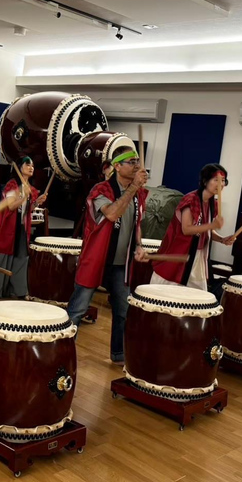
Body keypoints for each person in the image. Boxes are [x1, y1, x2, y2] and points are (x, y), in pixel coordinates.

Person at [66, 147, 149, 365]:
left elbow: (137, 224)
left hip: (121, 262)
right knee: (78, 309)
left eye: (137, 161)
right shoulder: (101, 190)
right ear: (117, 166)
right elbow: (112, 213)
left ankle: (118, 354)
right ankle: (63, 352)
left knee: (123, 311)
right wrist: (133, 188)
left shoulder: (139, 193)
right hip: (96, 258)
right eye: (131, 162)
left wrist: (139, 245)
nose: (137, 165)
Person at [151, 163, 235, 291]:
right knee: (167, 292)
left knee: (196, 295)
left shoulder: (212, 203)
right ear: (205, 181)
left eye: (223, 180)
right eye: (216, 180)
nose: (221, 184)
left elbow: (206, 231)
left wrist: (222, 239)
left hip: (198, 255)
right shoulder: (191, 200)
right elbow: (187, 229)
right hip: (179, 253)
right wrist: (212, 225)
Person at [0, 156, 47, 299]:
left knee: (21, 258)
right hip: (7, 227)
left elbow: (27, 209)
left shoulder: (29, 187)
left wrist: (36, 202)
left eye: (32, 165)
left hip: (22, 228)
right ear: (19, 167)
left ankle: (19, 292)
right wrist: (23, 196)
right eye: (27, 165)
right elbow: (11, 206)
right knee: (2, 257)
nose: (31, 168)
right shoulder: (12, 185)